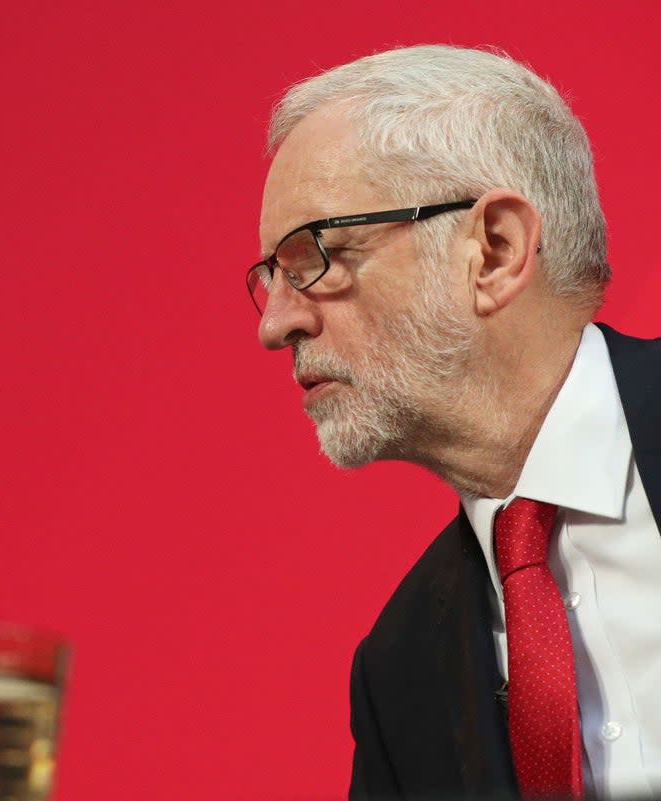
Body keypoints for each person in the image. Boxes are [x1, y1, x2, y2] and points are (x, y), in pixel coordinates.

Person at [249, 45, 661, 800]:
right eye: (268, 278)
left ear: (495, 251)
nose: (276, 324)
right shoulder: (399, 669)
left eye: (314, 256)